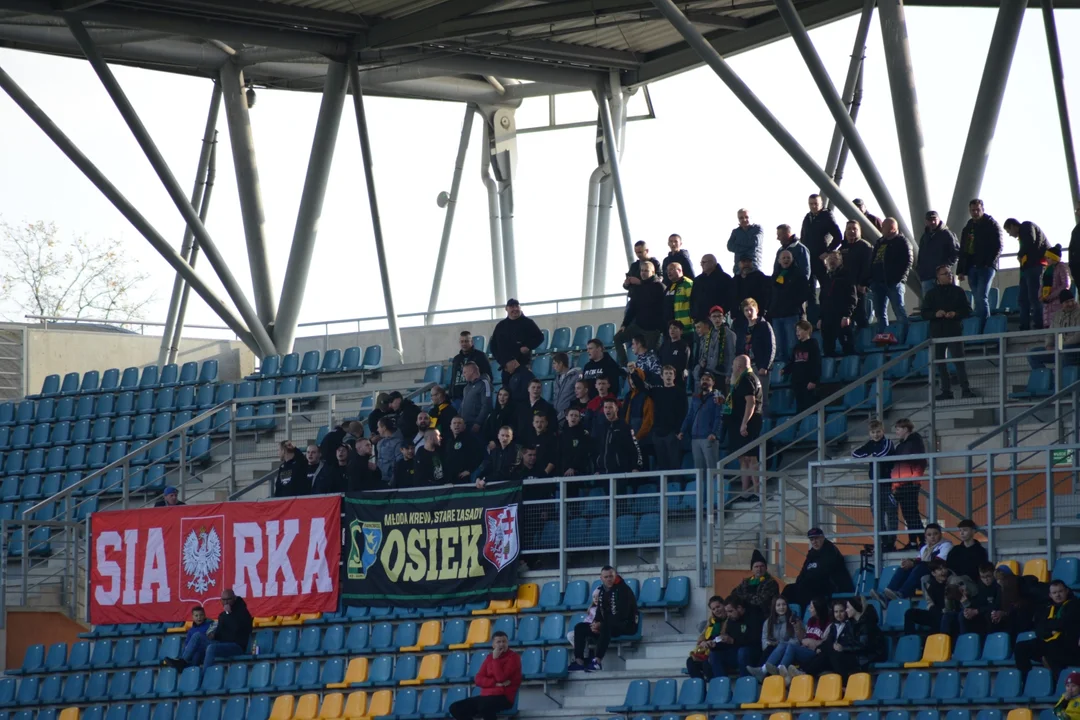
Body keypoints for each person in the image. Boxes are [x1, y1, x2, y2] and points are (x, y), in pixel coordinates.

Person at [794, 598, 885, 680]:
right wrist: (822, 648)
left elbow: (864, 646)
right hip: (856, 655)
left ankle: (804, 672)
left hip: (866, 658)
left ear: (855, 608)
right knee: (826, 653)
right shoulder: (852, 624)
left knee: (832, 653)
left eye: (848, 608)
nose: (846, 610)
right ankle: (803, 671)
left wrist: (843, 648)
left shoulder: (866, 624)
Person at [569, 566, 639, 672]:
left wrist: (600, 625)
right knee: (580, 627)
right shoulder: (602, 590)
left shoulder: (624, 590)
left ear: (615, 576)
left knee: (606, 627)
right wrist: (595, 623)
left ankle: (597, 661)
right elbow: (600, 610)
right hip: (608, 625)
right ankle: (579, 661)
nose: (609, 579)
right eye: (606, 577)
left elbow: (622, 615)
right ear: (601, 578)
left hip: (626, 625)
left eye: (611, 576)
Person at [921, 265, 976, 400]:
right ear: (938, 278)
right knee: (940, 363)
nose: (949, 276)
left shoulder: (959, 291)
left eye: (950, 273)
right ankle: (946, 390)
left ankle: (965, 389)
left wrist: (955, 313)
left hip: (954, 330)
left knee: (959, 361)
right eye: (945, 274)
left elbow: (968, 310)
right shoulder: (931, 294)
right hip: (937, 332)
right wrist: (935, 314)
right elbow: (924, 313)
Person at [1014, 580, 1080, 680]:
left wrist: (1050, 625)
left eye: (1060, 591)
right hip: (1048, 642)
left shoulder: (1074, 605)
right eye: (1054, 593)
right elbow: (1039, 628)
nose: (1058, 595)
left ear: (1066, 591)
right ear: (1050, 595)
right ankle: (1026, 679)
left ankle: (1057, 682)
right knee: (1020, 647)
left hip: (1067, 644)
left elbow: (1065, 623)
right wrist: (1051, 630)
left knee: (1052, 651)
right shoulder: (1046, 607)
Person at [449, 631, 521, 720]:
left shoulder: (513, 657)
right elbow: (478, 678)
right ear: (493, 645)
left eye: (504, 641)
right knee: (455, 708)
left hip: (504, 697)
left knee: (485, 707)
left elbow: (501, 678)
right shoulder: (489, 658)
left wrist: (495, 659)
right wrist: (494, 683)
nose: (502, 644)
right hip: (486, 696)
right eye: (498, 642)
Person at [957, 199, 1004, 328]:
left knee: (981, 296)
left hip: (986, 267)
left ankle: (984, 324)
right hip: (972, 267)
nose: (975, 213)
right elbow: (964, 249)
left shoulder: (991, 225)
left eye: (977, 210)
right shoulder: (968, 227)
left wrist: (989, 263)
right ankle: (981, 323)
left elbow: (998, 246)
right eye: (973, 210)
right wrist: (961, 270)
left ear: (982, 209)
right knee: (977, 296)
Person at [851, 419, 895, 555]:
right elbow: (855, 454)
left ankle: (891, 542)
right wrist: (869, 455)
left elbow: (882, 455)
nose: (876, 435)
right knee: (877, 514)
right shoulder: (870, 444)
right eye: (873, 432)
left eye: (878, 432)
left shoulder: (888, 443)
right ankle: (882, 542)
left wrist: (870, 456)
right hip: (875, 485)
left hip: (887, 484)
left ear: (883, 431)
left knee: (891, 513)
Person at [877, 522, 952, 600]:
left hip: (937, 576)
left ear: (940, 534)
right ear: (925, 537)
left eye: (935, 534)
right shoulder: (925, 548)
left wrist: (913, 563)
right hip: (921, 576)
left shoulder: (946, 545)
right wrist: (908, 563)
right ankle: (886, 595)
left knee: (920, 567)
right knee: (904, 568)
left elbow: (937, 562)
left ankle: (902, 593)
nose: (932, 537)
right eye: (929, 535)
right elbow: (918, 560)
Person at [724, 354, 764, 501]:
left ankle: (758, 491)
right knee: (743, 458)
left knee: (752, 457)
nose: (732, 368)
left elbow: (751, 403)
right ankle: (745, 491)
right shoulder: (741, 379)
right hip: (738, 422)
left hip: (748, 423)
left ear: (739, 366)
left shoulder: (747, 378)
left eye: (734, 365)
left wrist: (744, 423)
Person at [781, 528, 854, 606]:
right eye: (811, 539)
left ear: (822, 537)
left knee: (803, 589)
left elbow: (823, 572)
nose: (814, 542)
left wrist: (805, 582)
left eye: (816, 538)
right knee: (788, 589)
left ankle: (803, 614)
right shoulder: (811, 554)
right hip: (811, 586)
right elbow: (803, 572)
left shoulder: (831, 550)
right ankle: (784, 614)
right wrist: (799, 582)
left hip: (831, 586)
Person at [615, 259, 666, 364]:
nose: (643, 273)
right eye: (642, 270)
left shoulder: (660, 287)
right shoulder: (638, 289)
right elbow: (632, 308)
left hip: (653, 329)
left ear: (652, 272)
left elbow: (664, 309)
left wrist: (661, 328)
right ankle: (625, 365)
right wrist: (624, 324)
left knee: (652, 357)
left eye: (646, 271)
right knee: (618, 338)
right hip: (638, 326)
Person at [869, 218, 913, 338]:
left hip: (894, 283)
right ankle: (882, 337)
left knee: (899, 310)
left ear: (892, 228)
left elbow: (908, 261)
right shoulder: (879, 243)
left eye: (884, 227)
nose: (882, 229)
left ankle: (903, 336)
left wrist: (899, 278)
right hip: (878, 282)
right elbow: (872, 260)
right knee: (879, 313)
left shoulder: (902, 242)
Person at [1004, 217, 1050, 331]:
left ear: (1013, 226)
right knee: (1023, 298)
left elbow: (1030, 241)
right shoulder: (1023, 233)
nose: (1009, 234)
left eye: (1008, 231)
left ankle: (1038, 324)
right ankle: (1024, 325)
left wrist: (1020, 254)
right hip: (1027, 268)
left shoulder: (1026, 226)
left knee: (1034, 296)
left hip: (1035, 266)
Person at [489, 299, 544, 387]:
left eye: (516, 306)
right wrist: (504, 363)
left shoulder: (528, 322)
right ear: (506, 308)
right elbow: (493, 346)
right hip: (506, 369)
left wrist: (528, 346)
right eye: (511, 307)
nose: (515, 309)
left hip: (523, 366)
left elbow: (540, 337)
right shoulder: (500, 326)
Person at [889, 418, 927, 548]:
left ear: (905, 429)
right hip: (900, 484)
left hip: (909, 483)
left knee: (912, 513)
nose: (897, 432)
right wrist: (894, 484)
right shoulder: (900, 446)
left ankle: (921, 540)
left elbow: (921, 462)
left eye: (898, 429)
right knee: (908, 514)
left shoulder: (915, 443)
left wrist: (913, 479)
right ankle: (914, 541)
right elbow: (896, 467)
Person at [770, 249, 812, 363]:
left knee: (792, 345)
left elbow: (805, 293)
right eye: (783, 258)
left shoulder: (799, 274)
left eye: (788, 257)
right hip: (777, 316)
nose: (786, 260)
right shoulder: (774, 276)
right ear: (779, 260)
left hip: (791, 314)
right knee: (779, 346)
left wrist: (793, 303)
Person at [749, 595, 803, 680]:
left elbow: (797, 641)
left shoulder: (794, 620)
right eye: (778, 605)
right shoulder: (768, 622)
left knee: (778, 648)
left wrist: (780, 644)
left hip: (788, 651)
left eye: (784, 604)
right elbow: (764, 638)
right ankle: (762, 674)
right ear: (774, 607)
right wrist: (769, 644)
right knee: (769, 648)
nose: (781, 607)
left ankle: (762, 672)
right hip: (773, 650)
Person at [775, 597, 831, 678]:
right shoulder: (811, 620)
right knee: (783, 645)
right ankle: (764, 669)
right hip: (805, 649)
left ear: (818, 609)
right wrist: (797, 627)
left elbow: (825, 642)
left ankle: (780, 670)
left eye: (811, 607)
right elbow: (803, 639)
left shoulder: (828, 624)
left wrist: (811, 641)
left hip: (815, 653)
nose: (809, 610)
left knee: (791, 647)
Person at [679, 372, 723, 471]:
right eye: (703, 379)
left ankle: (714, 487)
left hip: (709, 437)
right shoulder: (695, 398)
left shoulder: (717, 397)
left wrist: (714, 433)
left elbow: (719, 417)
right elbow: (689, 416)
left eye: (707, 379)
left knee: (712, 470)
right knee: (699, 471)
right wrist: (682, 430)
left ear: (713, 382)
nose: (704, 381)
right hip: (695, 438)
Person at [198, 589, 252, 670]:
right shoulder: (222, 616)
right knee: (197, 636)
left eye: (228, 599)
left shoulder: (243, 612)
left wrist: (229, 613)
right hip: (223, 644)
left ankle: (205, 677)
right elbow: (220, 634)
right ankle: (185, 662)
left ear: (234, 598)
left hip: (237, 646)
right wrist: (213, 635)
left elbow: (238, 629)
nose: (226, 602)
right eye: (224, 600)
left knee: (211, 648)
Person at [649, 364, 688, 471]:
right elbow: (642, 387)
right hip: (658, 432)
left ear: (674, 376)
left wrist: (679, 430)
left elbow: (683, 413)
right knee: (662, 464)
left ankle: (676, 486)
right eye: (666, 373)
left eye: (671, 373)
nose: (668, 375)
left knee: (674, 463)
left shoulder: (680, 392)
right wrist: (633, 372)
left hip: (673, 433)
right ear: (661, 376)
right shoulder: (657, 392)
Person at [712, 596, 764, 676]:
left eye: (730, 611)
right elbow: (728, 640)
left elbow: (755, 639)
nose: (728, 615)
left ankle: (745, 681)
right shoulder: (731, 620)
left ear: (739, 608)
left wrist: (733, 641)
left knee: (742, 652)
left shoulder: (754, 616)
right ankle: (722, 684)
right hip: (735, 651)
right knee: (714, 655)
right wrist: (715, 645)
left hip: (753, 651)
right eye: (727, 612)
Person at [1029, 289, 1080, 369]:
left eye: (1072, 301)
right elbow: (1050, 333)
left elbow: (1078, 335)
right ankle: (1046, 378)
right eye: (1067, 302)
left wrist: (1063, 346)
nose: (1070, 304)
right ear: (1061, 304)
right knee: (1033, 354)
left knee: (1065, 351)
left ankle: (1064, 379)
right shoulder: (1057, 315)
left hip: (1074, 349)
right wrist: (1049, 345)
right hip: (1058, 348)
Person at [800, 194, 843, 287]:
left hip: (821, 258)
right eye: (811, 204)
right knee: (809, 288)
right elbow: (803, 237)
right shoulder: (807, 217)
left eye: (816, 204)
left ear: (821, 204)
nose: (813, 206)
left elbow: (838, 237)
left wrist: (827, 252)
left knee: (825, 286)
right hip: (808, 258)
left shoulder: (827, 216)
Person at [902, 558, 955, 633]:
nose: (943, 571)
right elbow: (930, 603)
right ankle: (910, 639)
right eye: (940, 569)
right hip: (936, 613)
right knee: (910, 613)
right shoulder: (929, 583)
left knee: (941, 618)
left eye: (944, 568)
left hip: (948, 614)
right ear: (933, 573)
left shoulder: (952, 582)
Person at [737, 299, 774, 406]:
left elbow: (771, 347)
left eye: (751, 310)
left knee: (762, 398)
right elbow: (739, 348)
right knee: (747, 399)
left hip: (759, 366)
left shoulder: (764, 325)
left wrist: (765, 366)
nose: (749, 313)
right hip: (746, 368)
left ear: (757, 310)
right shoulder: (742, 329)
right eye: (746, 310)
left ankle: (764, 420)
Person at [593, 398, 643, 474]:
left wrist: (635, 467)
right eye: (605, 407)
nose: (607, 410)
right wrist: (597, 469)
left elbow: (635, 447)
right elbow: (597, 451)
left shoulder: (624, 427)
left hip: (621, 472)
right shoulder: (601, 428)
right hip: (603, 473)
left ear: (616, 409)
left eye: (610, 407)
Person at [917, 211, 960, 297]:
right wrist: (921, 270)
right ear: (926, 221)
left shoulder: (947, 234)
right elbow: (921, 255)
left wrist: (945, 267)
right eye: (930, 220)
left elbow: (956, 253)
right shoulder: (925, 237)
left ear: (938, 219)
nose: (932, 222)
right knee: (929, 304)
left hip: (942, 276)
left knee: (946, 302)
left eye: (934, 219)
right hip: (927, 276)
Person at [686, 595, 728, 681]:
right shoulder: (712, 620)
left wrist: (712, 642)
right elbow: (703, 635)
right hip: (708, 649)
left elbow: (724, 637)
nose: (716, 610)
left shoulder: (729, 618)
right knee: (690, 662)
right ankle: (699, 688)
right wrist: (702, 642)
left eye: (718, 606)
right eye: (713, 609)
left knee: (707, 663)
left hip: (721, 649)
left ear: (723, 605)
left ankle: (714, 687)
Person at [841, 220, 874, 329]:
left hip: (860, 289)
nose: (852, 231)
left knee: (862, 317)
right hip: (846, 289)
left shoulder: (865, 246)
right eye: (849, 229)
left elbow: (868, 267)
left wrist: (863, 283)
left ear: (859, 231)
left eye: (855, 229)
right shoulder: (842, 249)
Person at [695, 307, 736, 390]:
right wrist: (702, 362)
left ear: (723, 317)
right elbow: (703, 353)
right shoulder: (708, 334)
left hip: (721, 372)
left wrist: (729, 374)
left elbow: (732, 355)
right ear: (710, 318)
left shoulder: (729, 334)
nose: (717, 319)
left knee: (721, 398)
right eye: (714, 316)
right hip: (709, 371)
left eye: (719, 316)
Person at [730, 549, 780, 616]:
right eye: (756, 567)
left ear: (766, 568)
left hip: (764, 615)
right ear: (752, 569)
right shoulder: (746, 581)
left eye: (762, 566)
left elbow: (760, 601)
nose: (759, 569)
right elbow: (734, 594)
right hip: (746, 614)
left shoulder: (771, 583)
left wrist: (743, 596)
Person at [785, 320, 821, 413]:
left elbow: (816, 363)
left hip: (808, 381)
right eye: (796, 331)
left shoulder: (813, 344)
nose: (797, 333)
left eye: (799, 330)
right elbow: (793, 362)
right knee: (800, 406)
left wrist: (814, 380)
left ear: (807, 330)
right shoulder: (796, 347)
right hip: (797, 382)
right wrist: (785, 370)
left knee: (809, 405)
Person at [449, 331, 493, 403]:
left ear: (472, 342)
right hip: (457, 398)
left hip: (474, 396)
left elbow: (488, 376)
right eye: (462, 341)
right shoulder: (456, 359)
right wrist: (451, 395)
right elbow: (453, 378)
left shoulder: (481, 356)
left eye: (466, 341)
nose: (464, 344)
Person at [690, 254, 734, 324]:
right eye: (701, 263)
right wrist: (694, 315)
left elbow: (730, 299)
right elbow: (692, 299)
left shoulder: (725, 278)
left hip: (717, 320)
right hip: (699, 321)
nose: (701, 265)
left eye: (704, 262)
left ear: (712, 263)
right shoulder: (697, 280)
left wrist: (719, 313)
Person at [443, 416, 483, 484]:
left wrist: (470, 470)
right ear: (450, 426)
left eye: (459, 423)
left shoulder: (471, 439)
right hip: (449, 478)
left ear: (464, 426)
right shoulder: (447, 441)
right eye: (454, 423)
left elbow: (479, 456)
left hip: (463, 478)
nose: (457, 425)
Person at [733, 256, 771, 327]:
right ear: (739, 264)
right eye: (744, 261)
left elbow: (765, 295)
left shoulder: (759, 277)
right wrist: (734, 314)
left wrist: (762, 311)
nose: (746, 264)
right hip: (740, 317)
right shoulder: (735, 280)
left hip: (756, 316)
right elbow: (732, 298)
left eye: (749, 261)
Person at [1041, 244, 1071, 329]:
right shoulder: (1046, 271)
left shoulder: (1061, 268)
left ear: (1054, 258)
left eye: (1048, 257)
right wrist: (1041, 296)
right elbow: (1042, 285)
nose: (1046, 260)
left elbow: (1065, 284)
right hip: (1047, 304)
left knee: (1057, 325)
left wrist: (1052, 295)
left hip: (1058, 302)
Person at [517, 378, 557, 442]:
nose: (536, 389)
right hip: (522, 442)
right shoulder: (520, 406)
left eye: (538, 387)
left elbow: (552, 427)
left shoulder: (547, 407)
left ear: (541, 390)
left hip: (539, 443)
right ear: (528, 389)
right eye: (533, 387)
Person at [459, 362, 492, 436]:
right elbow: (462, 405)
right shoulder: (466, 388)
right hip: (464, 425)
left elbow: (486, 405)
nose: (463, 375)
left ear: (472, 371)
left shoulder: (484, 383)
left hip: (476, 425)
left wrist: (478, 422)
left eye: (465, 372)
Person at [727, 209, 764, 273]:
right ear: (738, 219)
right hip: (739, 269)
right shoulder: (735, 232)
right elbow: (730, 246)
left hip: (754, 267)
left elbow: (755, 242)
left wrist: (738, 243)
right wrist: (749, 247)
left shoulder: (758, 229)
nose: (744, 220)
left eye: (746, 217)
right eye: (741, 218)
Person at [557, 407, 591, 476]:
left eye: (576, 416)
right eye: (571, 415)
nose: (573, 417)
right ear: (566, 417)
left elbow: (582, 452)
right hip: (563, 472)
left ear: (579, 418)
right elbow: (559, 454)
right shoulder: (561, 435)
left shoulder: (584, 434)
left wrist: (572, 467)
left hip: (579, 471)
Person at [665, 261, 695, 336]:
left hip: (687, 328)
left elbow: (694, 303)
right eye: (667, 271)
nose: (669, 272)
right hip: (674, 329)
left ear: (679, 270)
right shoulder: (670, 287)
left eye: (671, 269)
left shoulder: (687, 283)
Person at [551, 352, 582, 423]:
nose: (553, 366)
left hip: (569, 417)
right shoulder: (557, 379)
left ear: (561, 363)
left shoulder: (575, 376)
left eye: (554, 363)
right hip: (557, 416)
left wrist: (566, 412)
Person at [374, 417, 404, 483]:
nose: (377, 430)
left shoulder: (398, 442)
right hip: (380, 478)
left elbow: (399, 463)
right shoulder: (380, 442)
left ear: (384, 428)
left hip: (390, 480)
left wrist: (393, 480)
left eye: (378, 427)